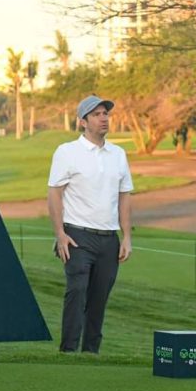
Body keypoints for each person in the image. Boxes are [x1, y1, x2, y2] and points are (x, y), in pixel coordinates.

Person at [47, 95, 133, 353]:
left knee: (98, 299)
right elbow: (54, 193)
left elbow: (124, 196)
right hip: (77, 236)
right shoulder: (67, 152)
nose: (104, 118)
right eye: (96, 114)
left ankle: (91, 353)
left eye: (105, 113)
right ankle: (68, 351)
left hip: (109, 238)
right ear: (82, 122)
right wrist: (60, 234)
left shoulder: (118, 154)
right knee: (77, 291)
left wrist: (127, 236)